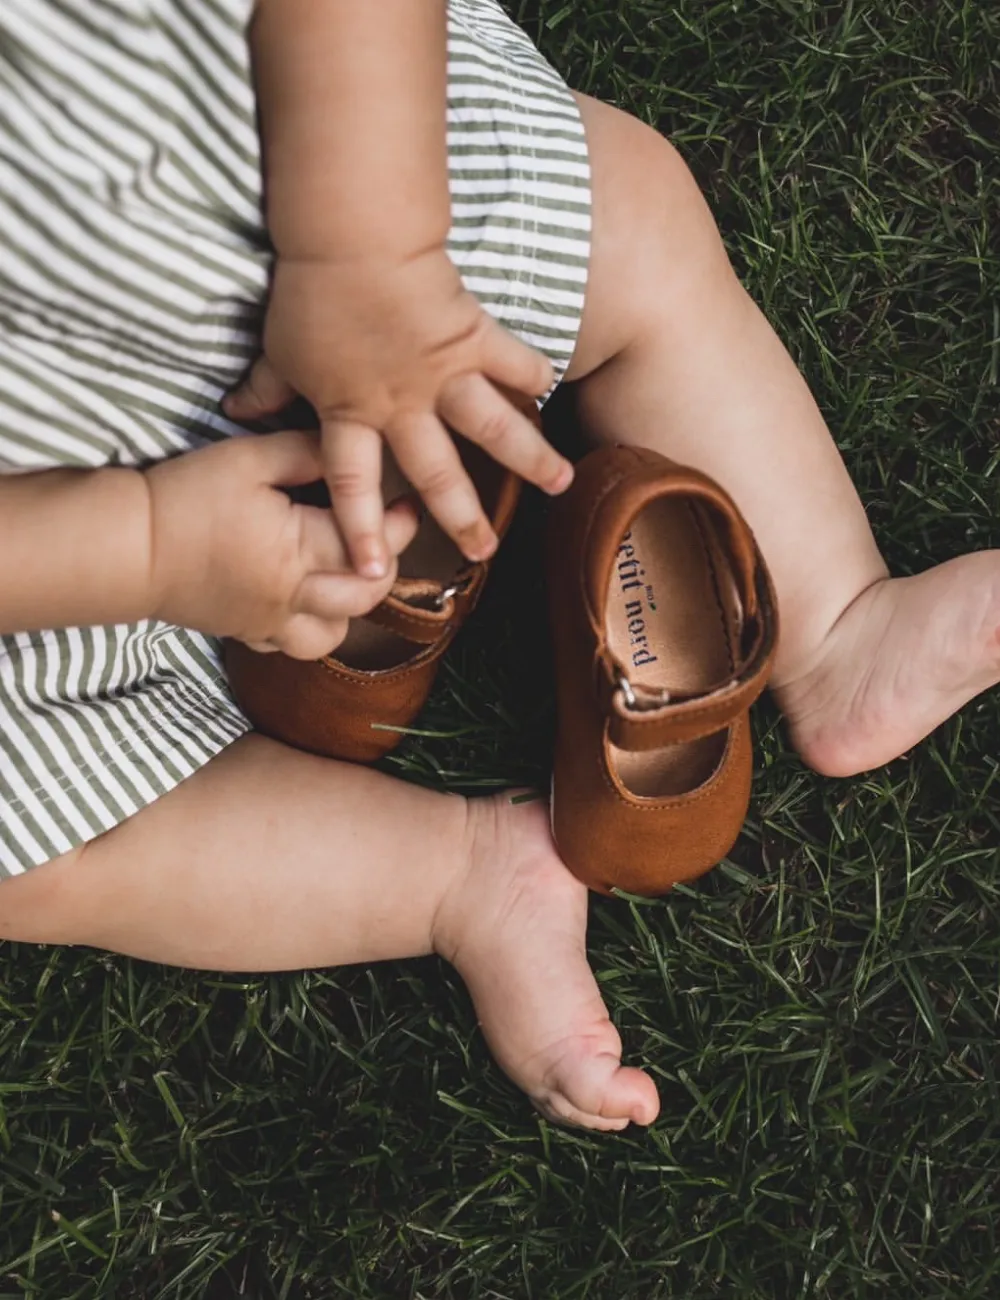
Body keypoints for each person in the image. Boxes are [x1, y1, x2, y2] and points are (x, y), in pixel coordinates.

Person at [1, 0, 998, 1132]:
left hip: (254, 209)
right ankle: (454, 874)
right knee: (26, 857)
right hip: (41, 583)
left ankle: (835, 626)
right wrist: (145, 549)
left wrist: (366, 253)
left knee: (627, 223)